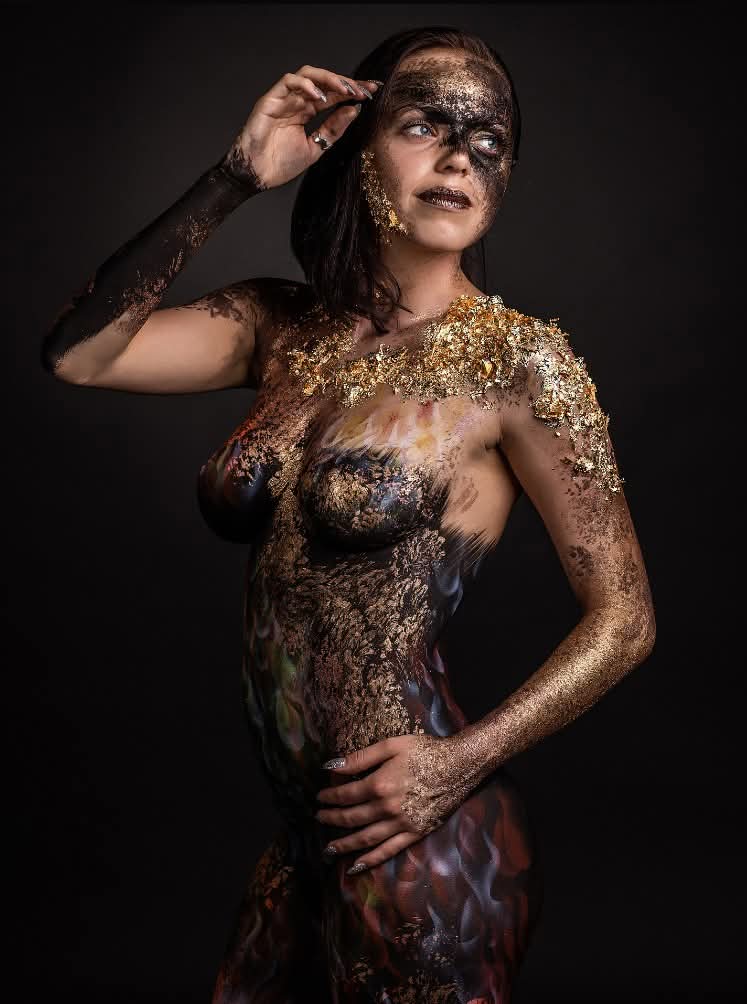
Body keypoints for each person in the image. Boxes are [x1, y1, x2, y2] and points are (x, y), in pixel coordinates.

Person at [40, 24, 656, 1004]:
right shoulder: (280, 328)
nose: (460, 158)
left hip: (421, 838)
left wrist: (458, 764)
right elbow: (78, 355)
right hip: (305, 839)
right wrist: (235, 177)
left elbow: (625, 617)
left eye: (488, 141)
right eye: (424, 125)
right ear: (355, 143)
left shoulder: (520, 362)